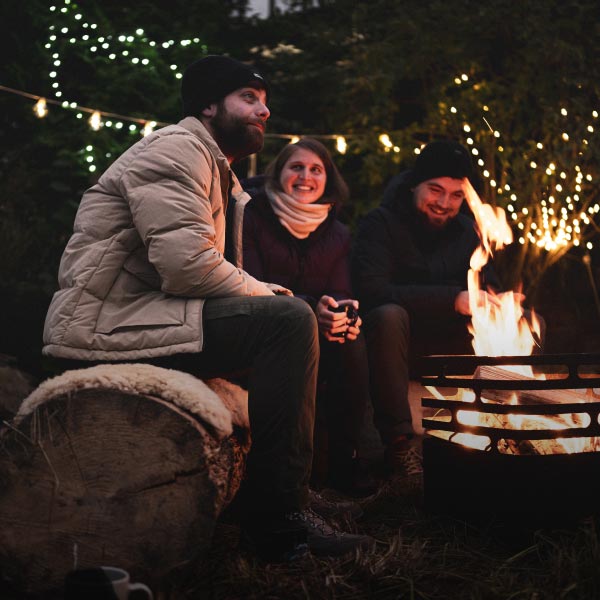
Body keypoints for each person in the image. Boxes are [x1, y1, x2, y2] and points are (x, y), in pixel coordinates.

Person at [42, 55, 371, 561]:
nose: (263, 112)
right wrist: (273, 294)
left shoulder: (216, 168)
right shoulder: (177, 150)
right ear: (209, 105)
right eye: (249, 98)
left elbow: (196, 274)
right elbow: (189, 268)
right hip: (107, 324)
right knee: (287, 320)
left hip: (146, 313)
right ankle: (278, 524)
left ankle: (287, 494)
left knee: (290, 322)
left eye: (265, 103)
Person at [352, 140, 507, 475]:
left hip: (451, 346)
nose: (444, 203)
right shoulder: (380, 223)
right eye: (435, 190)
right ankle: (398, 448)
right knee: (388, 315)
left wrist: (501, 302)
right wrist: (453, 300)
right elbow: (372, 290)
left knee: (513, 321)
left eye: (456, 195)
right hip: (396, 349)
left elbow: (489, 281)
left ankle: (504, 433)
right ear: (414, 186)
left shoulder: (468, 230)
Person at [242, 138, 374, 497]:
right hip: (266, 326)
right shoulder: (252, 214)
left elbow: (342, 288)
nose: (306, 176)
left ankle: (344, 466)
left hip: (319, 324)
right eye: (296, 167)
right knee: (308, 336)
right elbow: (251, 283)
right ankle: (296, 482)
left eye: (316, 169)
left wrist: (342, 311)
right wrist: (309, 306)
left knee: (350, 337)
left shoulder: (338, 232)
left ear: (327, 178)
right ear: (279, 172)